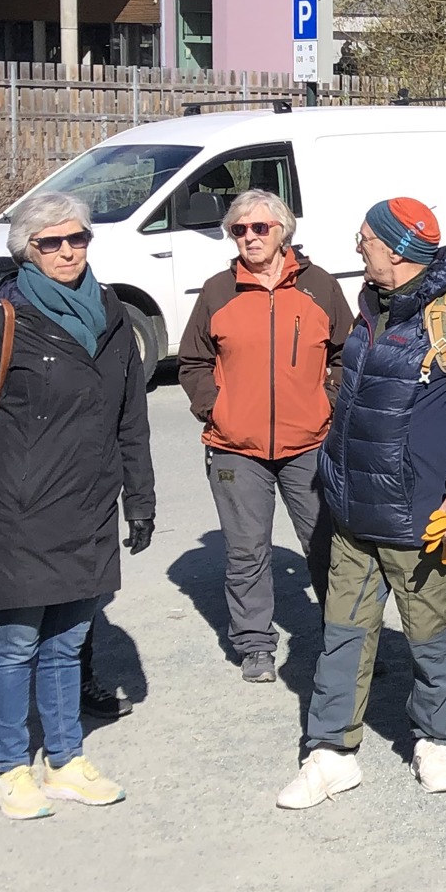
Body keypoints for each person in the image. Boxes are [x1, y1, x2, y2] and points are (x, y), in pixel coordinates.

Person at [279, 198, 446, 809]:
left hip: (422, 514)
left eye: (366, 239)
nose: (358, 248)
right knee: (341, 635)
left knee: (429, 637)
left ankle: (433, 740)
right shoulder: (370, 303)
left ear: (398, 249)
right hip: (354, 511)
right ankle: (330, 754)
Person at [0, 192, 155, 822]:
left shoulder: (111, 313)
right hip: (19, 511)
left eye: (77, 238)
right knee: (15, 644)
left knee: (69, 642)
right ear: (26, 251)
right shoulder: (1, 321)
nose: (67, 251)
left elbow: (131, 416)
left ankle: (64, 760)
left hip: (90, 507)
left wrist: (139, 497)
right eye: (50, 242)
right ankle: (11, 768)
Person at [176, 188, 352, 684]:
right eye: (239, 230)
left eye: (259, 228)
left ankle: (344, 645)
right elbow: (192, 361)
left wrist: (329, 402)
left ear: (283, 231)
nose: (249, 237)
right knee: (246, 552)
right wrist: (215, 408)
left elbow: (347, 352)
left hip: (309, 443)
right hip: (236, 448)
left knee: (327, 547)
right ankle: (255, 645)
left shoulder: (319, 286)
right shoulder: (218, 291)